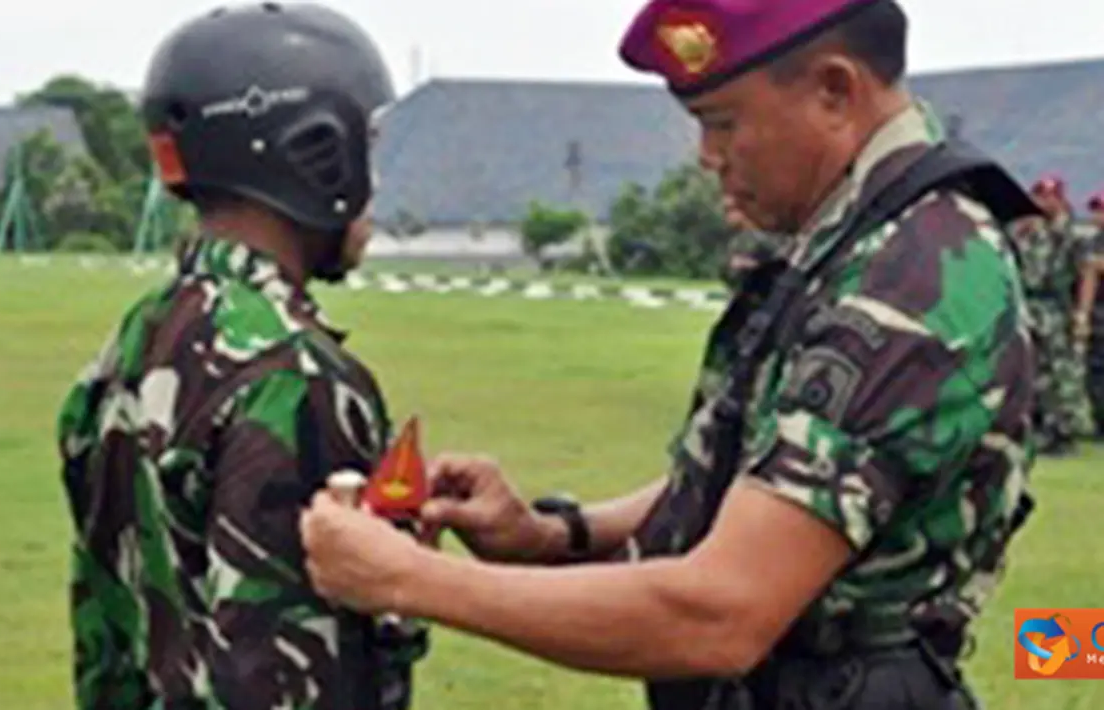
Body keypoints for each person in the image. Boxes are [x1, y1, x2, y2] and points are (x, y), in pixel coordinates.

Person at [300, 1, 1041, 708]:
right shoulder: (864, 242)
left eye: (723, 123)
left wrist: (402, 578)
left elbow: (721, 612)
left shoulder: (913, 277)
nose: (707, 158)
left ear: (833, 91)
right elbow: (768, 475)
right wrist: (553, 534)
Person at [55, 4, 428, 709]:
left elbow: (108, 630)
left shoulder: (134, 342)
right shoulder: (297, 378)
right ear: (317, 150)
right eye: (365, 145)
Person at [1012, 175, 1093, 453]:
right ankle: (1040, 426)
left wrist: (1081, 313)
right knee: (1034, 369)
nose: (1041, 201)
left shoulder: (1069, 233)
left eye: (1047, 196)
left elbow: (1085, 273)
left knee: (1061, 372)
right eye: (1038, 195)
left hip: (1055, 306)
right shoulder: (1027, 229)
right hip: (1030, 305)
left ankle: (1064, 429)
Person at [1076, 192, 1104, 436]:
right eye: (1095, 210)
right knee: (1095, 369)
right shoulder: (1092, 242)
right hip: (1098, 314)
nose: (1098, 216)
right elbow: (1086, 273)